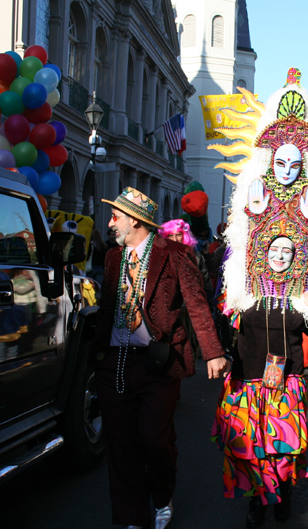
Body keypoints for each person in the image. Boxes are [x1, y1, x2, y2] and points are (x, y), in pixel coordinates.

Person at [209, 68, 308, 528]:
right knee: (251, 448)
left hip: (285, 383)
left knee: (285, 446)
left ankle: (283, 495)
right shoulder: (246, 296)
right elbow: (223, 323)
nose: (282, 253)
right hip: (249, 383)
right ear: (262, 250)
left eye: (289, 249)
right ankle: (257, 500)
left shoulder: (298, 296)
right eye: (276, 247)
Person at [92, 187, 229, 529]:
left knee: (155, 440)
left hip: (158, 362)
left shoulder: (176, 254)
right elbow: (109, 306)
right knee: (121, 445)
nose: (111, 224)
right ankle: (131, 517)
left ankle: (162, 497)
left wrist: (213, 351)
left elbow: (197, 304)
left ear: (135, 221)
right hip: (116, 363)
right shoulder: (113, 258)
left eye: (116, 217)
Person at [158, 218, 212, 303]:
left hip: (192, 308)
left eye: (178, 235)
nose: (175, 239)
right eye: (171, 235)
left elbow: (206, 284)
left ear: (184, 235)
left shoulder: (195, 257)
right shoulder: (160, 257)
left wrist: (209, 307)